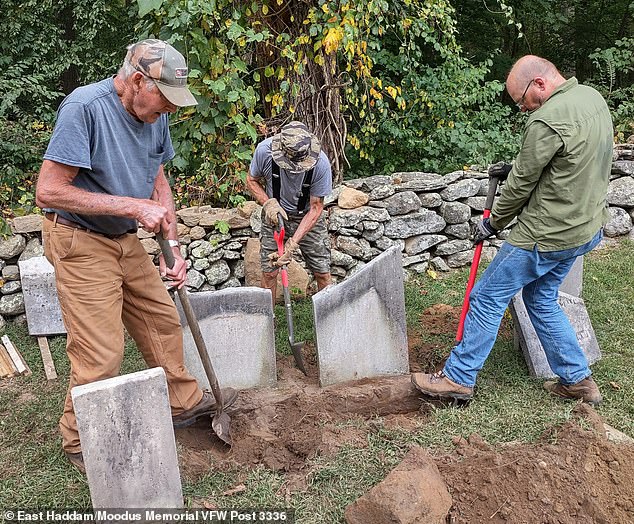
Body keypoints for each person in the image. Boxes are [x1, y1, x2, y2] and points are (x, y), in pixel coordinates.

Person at [35, 39, 237, 474]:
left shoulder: (153, 115)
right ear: (137, 81)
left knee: (161, 319)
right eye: (164, 99)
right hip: (79, 239)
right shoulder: (85, 108)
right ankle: (79, 438)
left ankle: (181, 402)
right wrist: (133, 206)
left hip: (123, 238)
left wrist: (173, 246)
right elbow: (48, 191)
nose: (168, 110)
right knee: (102, 350)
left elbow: (157, 179)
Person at [411, 55, 613, 406]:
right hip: (584, 228)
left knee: (487, 296)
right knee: (540, 298)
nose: (523, 109)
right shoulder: (592, 98)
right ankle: (577, 380)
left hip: (545, 236)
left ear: (539, 84)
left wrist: (491, 223)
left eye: (523, 101)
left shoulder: (546, 121)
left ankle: (458, 378)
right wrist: (517, 167)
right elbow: (567, 162)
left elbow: (520, 186)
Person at [246, 121, 333, 301]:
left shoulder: (321, 164)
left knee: (322, 272)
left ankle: (328, 323)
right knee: (269, 272)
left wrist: (292, 243)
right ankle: (268, 324)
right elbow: (251, 180)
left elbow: (316, 208)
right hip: (274, 217)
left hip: (307, 217)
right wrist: (268, 203)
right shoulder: (264, 152)